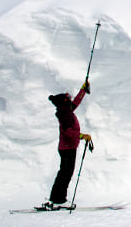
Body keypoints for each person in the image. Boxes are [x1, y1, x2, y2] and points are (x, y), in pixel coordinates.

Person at [43, 79, 92, 210]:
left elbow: (76, 102)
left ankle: (55, 199)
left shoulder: (65, 111)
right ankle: (59, 200)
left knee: (63, 173)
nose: (70, 100)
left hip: (66, 148)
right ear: (64, 103)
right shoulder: (66, 116)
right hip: (68, 148)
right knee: (65, 174)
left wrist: (83, 90)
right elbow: (69, 133)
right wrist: (83, 136)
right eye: (67, 99)